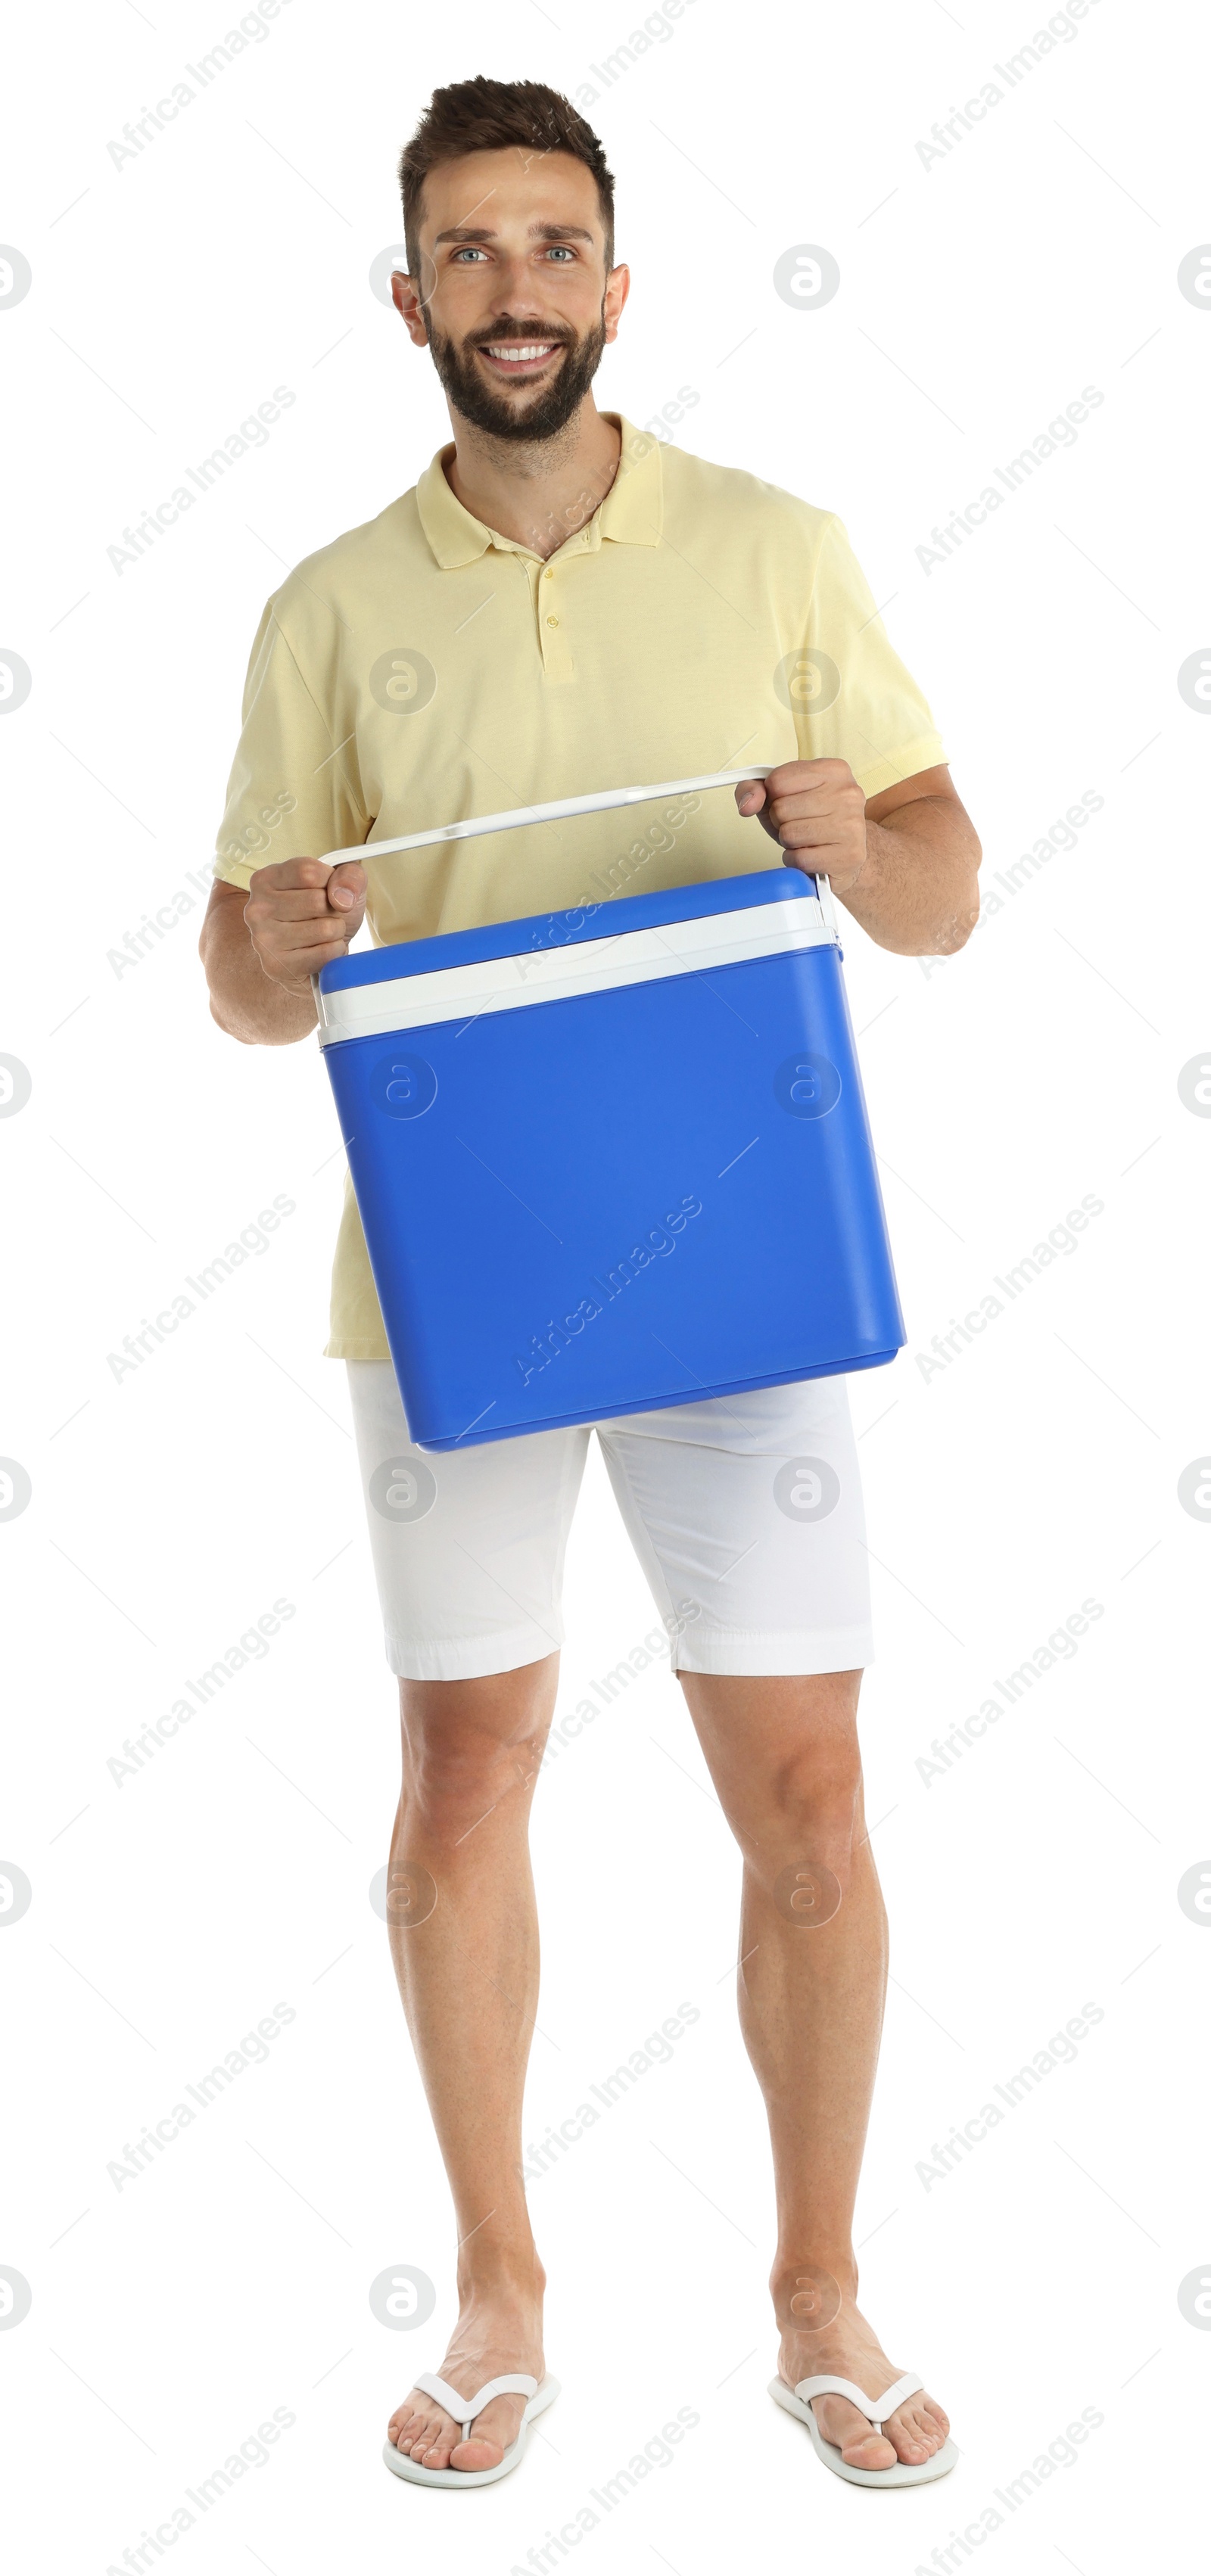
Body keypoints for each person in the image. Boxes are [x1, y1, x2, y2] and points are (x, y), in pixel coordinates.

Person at [199, 76, 980, 2493]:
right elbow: (236, 979)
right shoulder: (329, 604)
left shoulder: (776, 547)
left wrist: (870, 839)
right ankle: (504, 2291)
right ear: (409, 294)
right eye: (468, 249)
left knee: (816, 1793)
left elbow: (947, 890)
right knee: (465, 1779)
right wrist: (279, 932)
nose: (513, 289)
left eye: (554, 247)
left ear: (614, 287)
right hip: (453, 1284)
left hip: (749, 1257)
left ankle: (820, 2289)